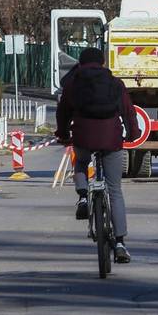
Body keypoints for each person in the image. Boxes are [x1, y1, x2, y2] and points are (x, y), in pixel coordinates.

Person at [55, 47, 140, 264]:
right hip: (111, 137)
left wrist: (63, 134)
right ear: (103, 63)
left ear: (81, 63)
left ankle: (83, 196)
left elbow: (63, 111)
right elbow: (128, 110)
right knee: (115, 190)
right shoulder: (115, 83)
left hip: (83, 134)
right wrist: (133, 133)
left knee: (81, 162)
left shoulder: (73, 83)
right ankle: (120, 243)